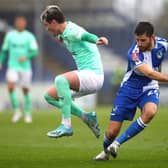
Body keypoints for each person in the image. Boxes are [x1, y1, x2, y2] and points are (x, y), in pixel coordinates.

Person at [94, 21, 168, 160]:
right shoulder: (133, 53)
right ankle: (106, 151)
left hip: (149, 87)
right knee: (112, 132)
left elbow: (152, 78)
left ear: (152, 37)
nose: (139, 43)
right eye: (137, 40)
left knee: (150, 112)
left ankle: (117, 144)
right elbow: (150, 73)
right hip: (129, 89)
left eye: (143, 40)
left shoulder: (163, 44)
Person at [40, 5, 108, 138]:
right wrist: (61, 38)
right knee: (49, 96)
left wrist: (97, 39)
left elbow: (85, 35)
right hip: (86, 76)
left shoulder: (71, 30)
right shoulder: (64, 33)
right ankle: (86, 117)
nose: (46, 29)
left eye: (47, 25)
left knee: (61, 80)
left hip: (93, 76)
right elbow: (67, 37)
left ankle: (66, 126)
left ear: (54, 22)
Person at [0, 16, 39, 123]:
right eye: (18, 22)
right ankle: (17, 111)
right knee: (11, 87)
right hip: (12, 66)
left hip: (25, 67)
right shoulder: (10, 36)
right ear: (16, 23)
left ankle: (27, 113)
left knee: (25, 90)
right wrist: (0, 61)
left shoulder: (29, 36)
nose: (20, 24)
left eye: (22, 23)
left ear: (24, 24)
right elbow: (4, 50)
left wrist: (26, 56)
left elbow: (35, 51)